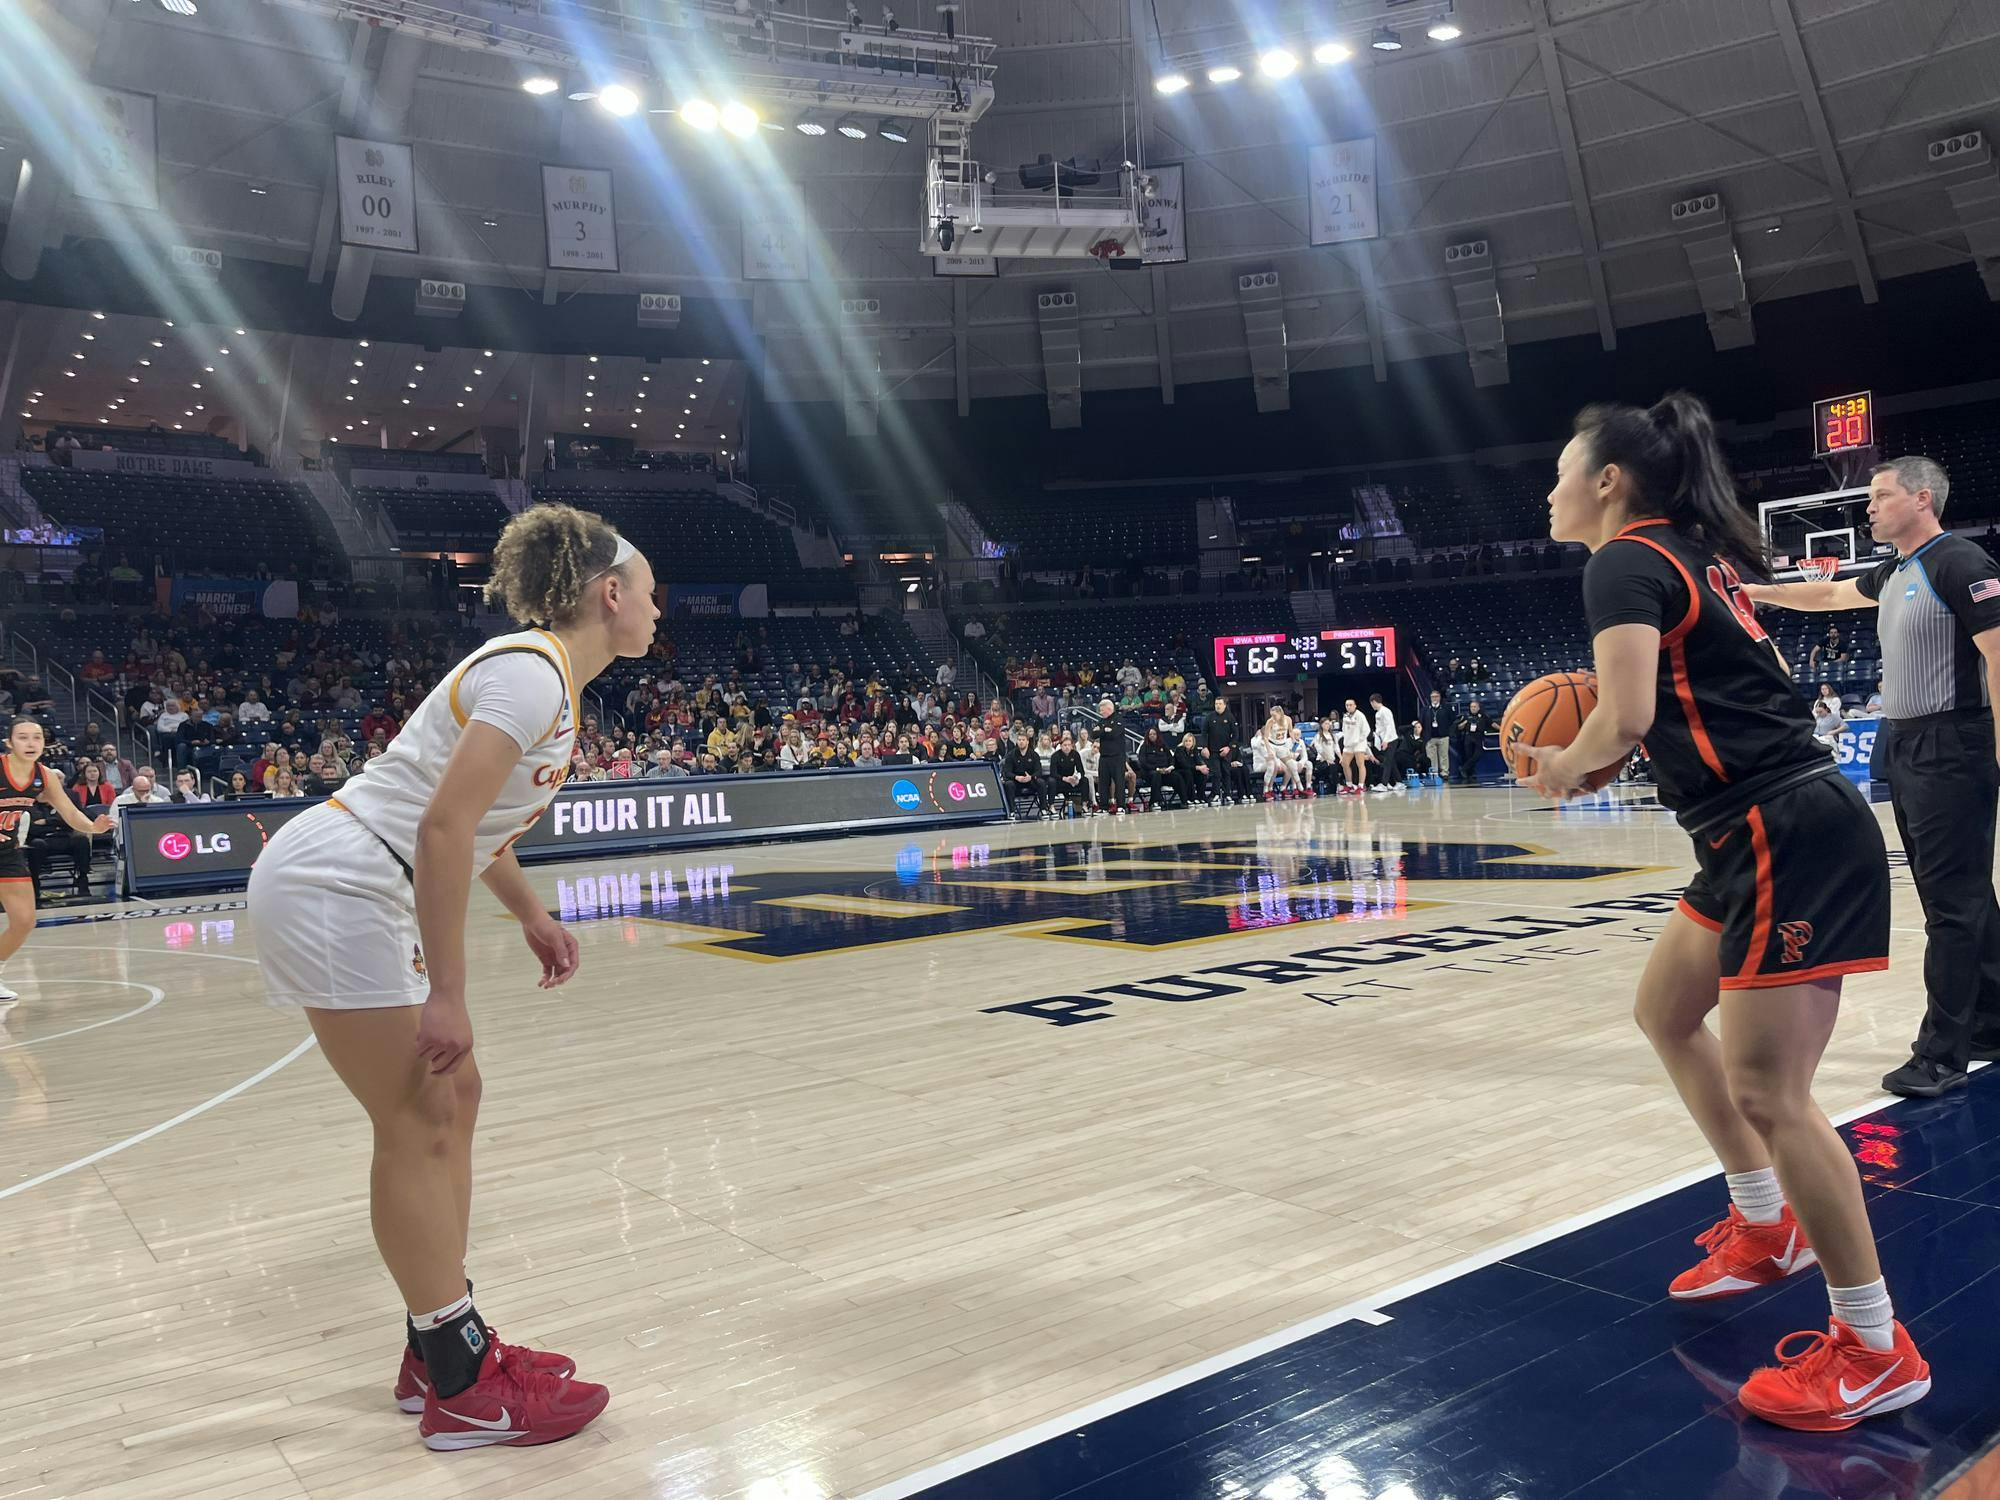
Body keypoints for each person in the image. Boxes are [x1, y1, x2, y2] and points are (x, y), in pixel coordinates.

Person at [1520, 391, 1925, 1433]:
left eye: (1562, 468)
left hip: (1775, 828)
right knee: (1664, 1011)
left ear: (1606, 481)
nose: (1549, 487)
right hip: (1752, 826)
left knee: (1769, 1092)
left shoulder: (1621, 561)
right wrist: (1588, 750)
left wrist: (1562, 766)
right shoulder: (1690, 556)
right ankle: (1764, 1224)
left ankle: (1874, 1347)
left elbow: (1625, 716)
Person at [245, 505, 641, 1451]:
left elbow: (468, 824)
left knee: (454, 1095)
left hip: (361, 877)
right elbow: (440, 829)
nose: (660, 611)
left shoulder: (541, 679)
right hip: (345, 879)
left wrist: (531, 912)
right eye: (653, 593)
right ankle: (462, 1383)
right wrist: (450, 991)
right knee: (420, 1114)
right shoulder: (531, 672)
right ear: (611, 593)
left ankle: (438, 1343)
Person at [1746, 456, 2000, 1098]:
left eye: (1880, 496)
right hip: (1910, 743)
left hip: (1954, 742)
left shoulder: (1961, 563)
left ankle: (1943, 1052)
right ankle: (1994, 1021)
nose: (1869, 506)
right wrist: (1757, 593)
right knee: (1963, 894)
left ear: (1921, 500)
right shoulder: (1895, 570)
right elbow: (1829, 594)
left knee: (1952, 902)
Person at [0, 718, 114, 998]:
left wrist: (92, 827)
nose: (30, 743)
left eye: (36, 737)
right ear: (9, 743)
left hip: (7, 853)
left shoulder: (44, 776)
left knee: (25, 921)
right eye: (23, 737)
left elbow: (70, 812)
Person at [1203, 696, 1252, 803]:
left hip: (1226, 750)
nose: (1217, 706)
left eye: (1220, 704)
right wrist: (1205, 747)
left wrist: (1229, 747)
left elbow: (1235, 735)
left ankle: (1227, 794)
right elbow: (1204, 733)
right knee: (1217, 773)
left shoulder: (1230, 717)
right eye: (1216, 704)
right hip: (1213, 751)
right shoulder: (1209, 717)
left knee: (1226, 772)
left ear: (1225, 705)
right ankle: (1215, 794)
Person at [1094, 697, 1130, 813]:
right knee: (1103, 783)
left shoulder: (1119, 719)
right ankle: (1103, 807)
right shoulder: (1101, 721)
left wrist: (1102, 731)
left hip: (1117, 756)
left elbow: (1114, 733)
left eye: (1102, 710)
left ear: (1109, 709)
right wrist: (1105, 730)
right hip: (1104, 756)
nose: (1100, 712)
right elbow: (1093, 734)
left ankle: (1121, 806)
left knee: (1119, 782)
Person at [1451, 698, 1490, 785]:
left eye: (1475, 707)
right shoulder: (1466, 716)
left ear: (1478, 708)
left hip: (1478, 737)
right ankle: (1470, 774)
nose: (1473, 708)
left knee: (1477, 755)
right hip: (1468, 737)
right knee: (1469, 756)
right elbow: (1459, 727)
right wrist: (1465, 722)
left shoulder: (1483, 716)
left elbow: (1491, 723)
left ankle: (1464, 768)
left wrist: (1502, 729)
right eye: (1471, 707)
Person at [1338, 698, 1372, 796]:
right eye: (1347, 705)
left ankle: (1361, 786)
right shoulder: (1345, 717)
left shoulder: (1360, 716)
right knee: (1344, 763)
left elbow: (1366, 730)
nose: (1348, 707)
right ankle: (1349, 785)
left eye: (1350, 705)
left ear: (1355, 705)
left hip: (1359, 744)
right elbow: (1344, 729)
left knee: (1360, 764)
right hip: (1348, 744)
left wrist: (1359, 740)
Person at [1136, 726, 1177, 809]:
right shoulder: (1144, 747)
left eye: (1154, 734)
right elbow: (1143, 763)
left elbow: (1171, 758)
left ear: (1157, 735)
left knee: (1177, 776)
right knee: (1156, 774)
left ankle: (1186, 800)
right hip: (1149, 773)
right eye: (1150, 734)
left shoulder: (1163, 745)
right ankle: (1154, 802)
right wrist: (1157, 769)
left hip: (1164, 772)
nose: (1152, 735)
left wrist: (1170, 767)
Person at [1368, 693, 1397, 789]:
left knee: (1387, 762)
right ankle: (1399, 781)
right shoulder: (1378, 713)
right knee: (1391, 761)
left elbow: (1389, 726)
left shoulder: (1385, 711)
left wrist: (1385, 741)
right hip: (1384, 740)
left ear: (1374, 702)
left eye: (1371, 703)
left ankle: (1384, 784)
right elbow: (1379, 728)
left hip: (1390, 739)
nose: (1371, 706)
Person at [1423, 691, 1452, 784]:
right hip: (1430, 737)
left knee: (1444, 756)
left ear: (1439, 697)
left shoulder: (1446, 708)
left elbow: (1452, 720)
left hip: (1443, 736)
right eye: (1432, 697)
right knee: (1431, 757)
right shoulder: (1426, 709)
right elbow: (1421, 721)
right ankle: (1434, 773)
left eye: (1436, 696)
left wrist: (1448, 731)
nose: (1434, 698)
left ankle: (1444, 773)